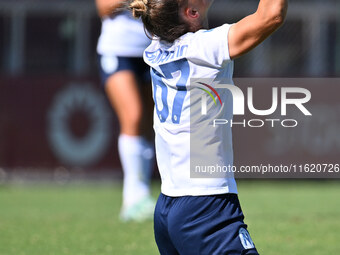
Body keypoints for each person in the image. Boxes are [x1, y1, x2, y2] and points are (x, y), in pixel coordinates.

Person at [129, 0, 288, 254]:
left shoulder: (156, 47)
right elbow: (271, 16)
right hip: (205, 207)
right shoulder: (203, 48)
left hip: (168, 207)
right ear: (191, 13)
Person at [95, 0, 155, 222]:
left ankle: (143, 194)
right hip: (119, 50)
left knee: (149, 124)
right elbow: (104, 7)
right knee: (133, 115)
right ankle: (132, 196)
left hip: (153, 49)